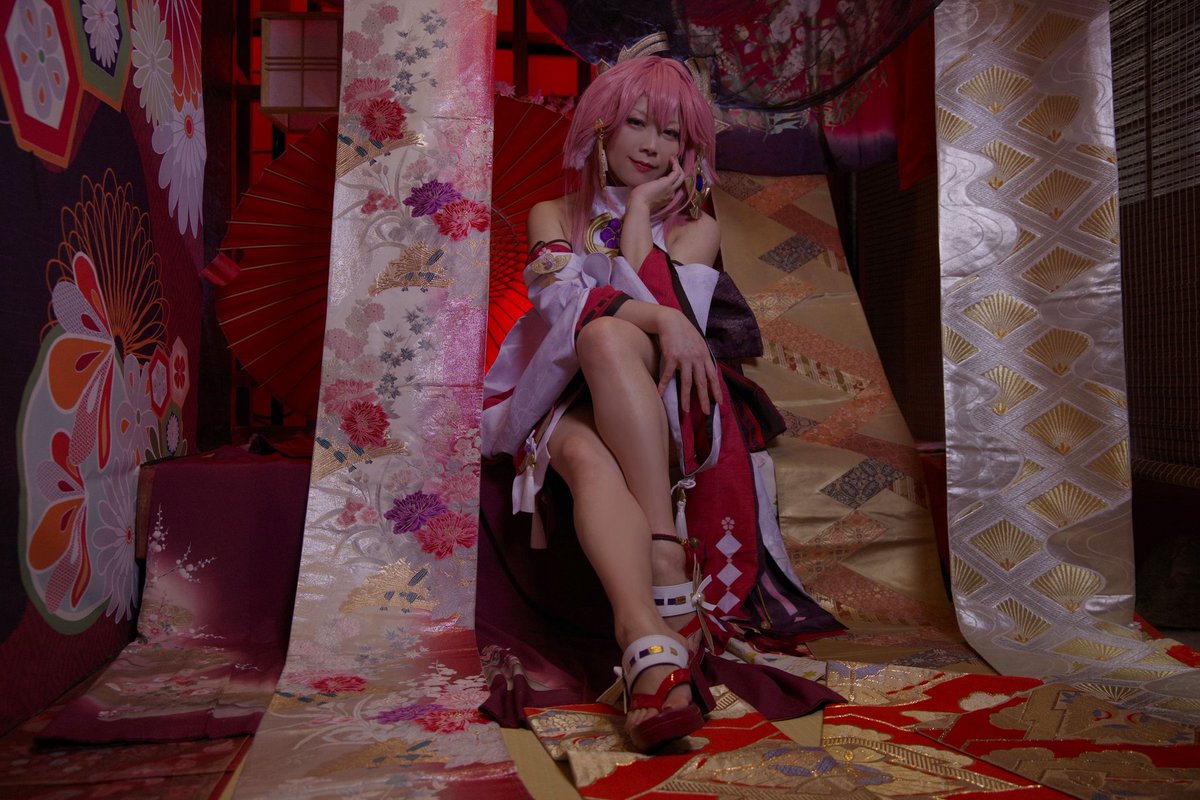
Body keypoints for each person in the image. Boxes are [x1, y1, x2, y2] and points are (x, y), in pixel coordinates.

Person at [481, 45, 842, 752]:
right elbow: (560, 306)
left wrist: (641, 216)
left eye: (671, 133)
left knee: (607, 339)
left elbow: (667, 312)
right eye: (637, 123)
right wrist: (658, 318)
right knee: (585, 443)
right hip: (560, 392)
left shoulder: (697, 226)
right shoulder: (552, 212)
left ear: (690, 149)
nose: (651, 145)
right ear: (601, 128)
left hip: (662, 395)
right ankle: (649, 631)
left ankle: (657, 579)